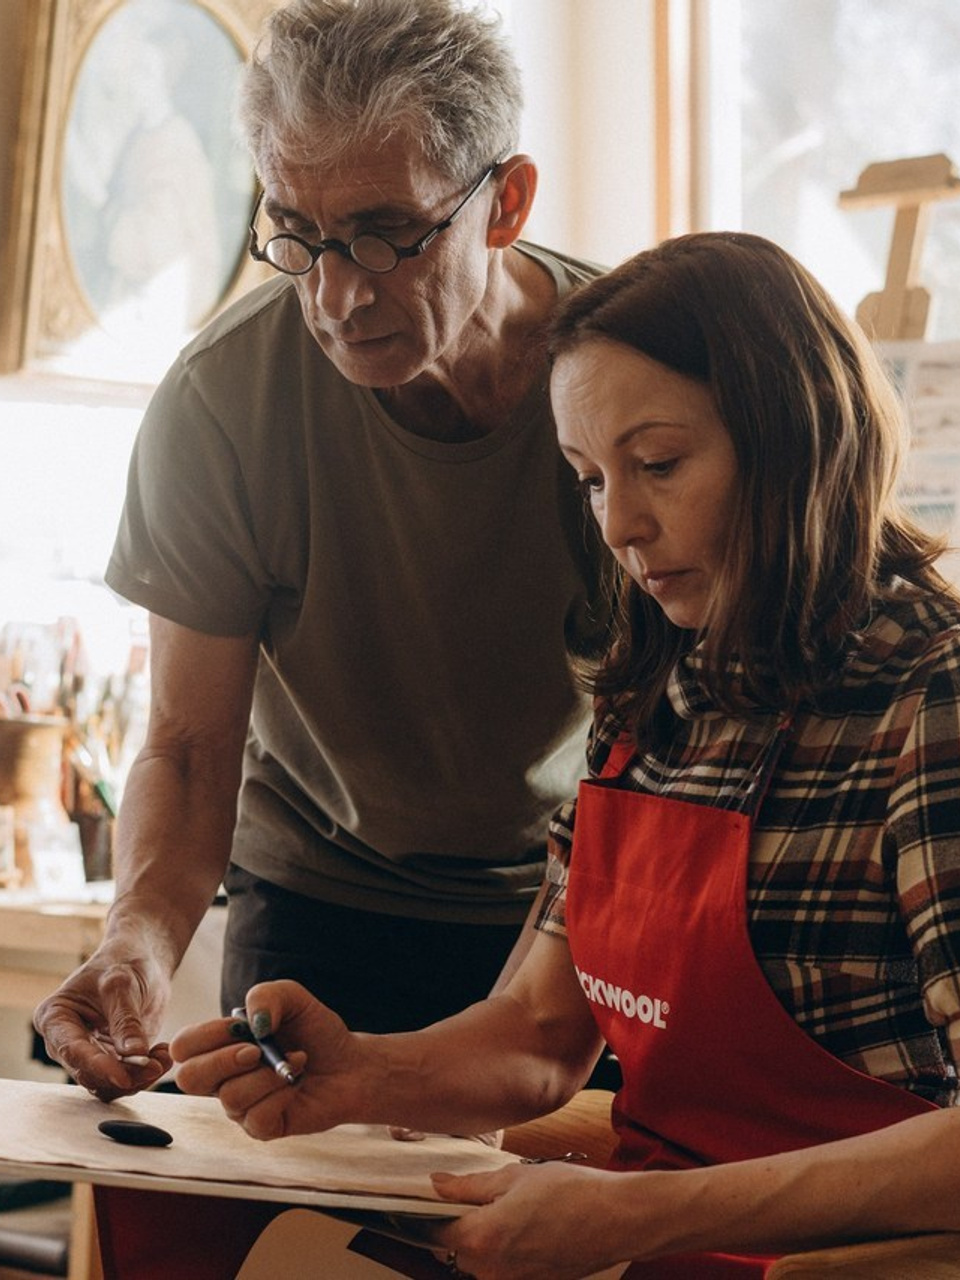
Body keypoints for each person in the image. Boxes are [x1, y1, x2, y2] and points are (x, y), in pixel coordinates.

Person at [170, 231, 960, 1278]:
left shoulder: (925, 701)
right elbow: (542, 1033)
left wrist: (637, 1214)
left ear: (794, 437)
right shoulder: (648, 693)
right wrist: (357, 1070)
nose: (621, 525)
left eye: (658, 464)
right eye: (588, 479)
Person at [34, 0, 608, 1101]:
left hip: (571, 896)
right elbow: (192, 746)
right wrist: (136, 944)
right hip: (320, 897)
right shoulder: (220, 404)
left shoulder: (625, 382)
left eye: (385, 234)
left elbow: (667, 751)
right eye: (293, 231)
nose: (336, 295)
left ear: (506, 201)